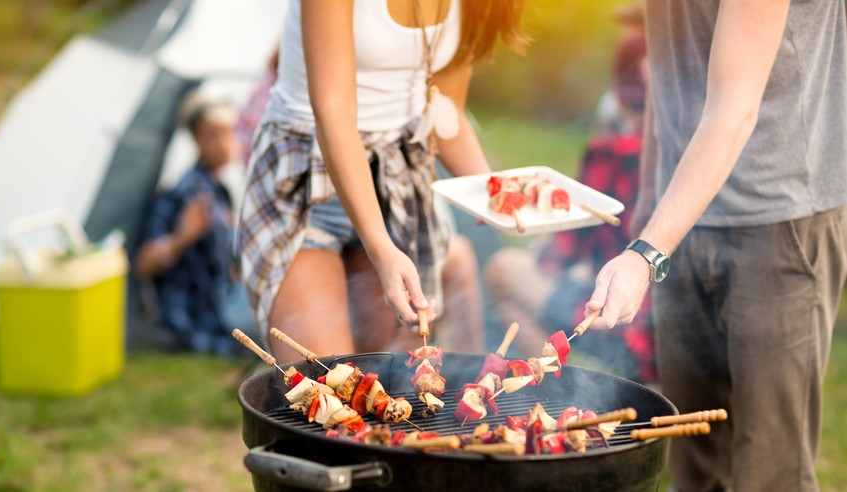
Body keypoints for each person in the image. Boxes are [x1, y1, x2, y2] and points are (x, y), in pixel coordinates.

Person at [586, 1, 847, 491]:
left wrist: (646, 253)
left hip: (779, 216)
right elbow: (668, 67)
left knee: (772, 471)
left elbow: (734, 108)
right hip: (681, 219)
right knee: (691, 449)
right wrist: (650, 195)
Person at [238, 0, 526, 363]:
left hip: (397, 187)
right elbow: (333, 111)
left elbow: (446, 110)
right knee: (328, 389)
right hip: (303, 181)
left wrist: (493, 189)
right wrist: (383, 249)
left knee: (397, 388)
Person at [485, 23, 655, 384]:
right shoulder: (694, 159)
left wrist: (542, 249)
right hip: (681, 333)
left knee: (503, 266)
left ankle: (552, 387)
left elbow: (559, 256)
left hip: (624, 326)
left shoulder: (610, 153)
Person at [135, 91, 257, 357]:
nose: (225, 142)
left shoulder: (218, 188)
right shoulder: (184, 192)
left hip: (225, 298)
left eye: (229, 132)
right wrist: (182, 237)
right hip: (201, 313)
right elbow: (143, 265)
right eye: (213, 135)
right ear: (196, 140)